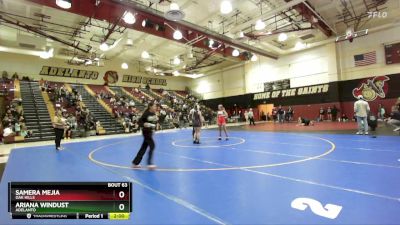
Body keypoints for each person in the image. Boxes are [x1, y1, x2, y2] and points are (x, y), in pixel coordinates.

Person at [132, 102, 158, 169]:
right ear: (150, 107)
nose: (155, 107)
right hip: (146, 132)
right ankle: (149, 163)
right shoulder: (146, 114)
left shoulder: (154, 114)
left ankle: (135, 163)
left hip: (150, 132)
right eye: (154, 106)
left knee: (143, 147)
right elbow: (139, 122)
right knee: (152, 145)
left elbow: (154, 122)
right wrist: (144, 124)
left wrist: (155, 126)